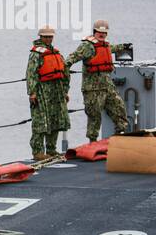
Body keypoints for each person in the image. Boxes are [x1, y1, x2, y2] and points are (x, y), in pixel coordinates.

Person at [66, 19, 132, 142]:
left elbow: (110, 48)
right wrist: (65, 69)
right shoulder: (87, 46)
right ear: (94, 31)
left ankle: (120, 135)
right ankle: (92, 142)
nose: (102, 35)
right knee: (94, 116)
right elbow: (72, 57)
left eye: (104, 33)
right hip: (92, 88)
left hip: (107, 86)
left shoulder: (104, 44)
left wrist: (123, 46)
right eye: (99, 32)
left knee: (119, 108)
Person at [25, 25, 70, 160]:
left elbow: (64, 73)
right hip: (42, 92)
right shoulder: (36, 54)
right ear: (41, 37)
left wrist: (65, 91)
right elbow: (31, 74)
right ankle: (38, 151)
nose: (49, 39)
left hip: (56, 92)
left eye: (50, 36)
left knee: (56, 120)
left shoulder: (56, 53)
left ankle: (51, 149)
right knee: (41, 122)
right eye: (46, 36)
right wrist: (32, 93)